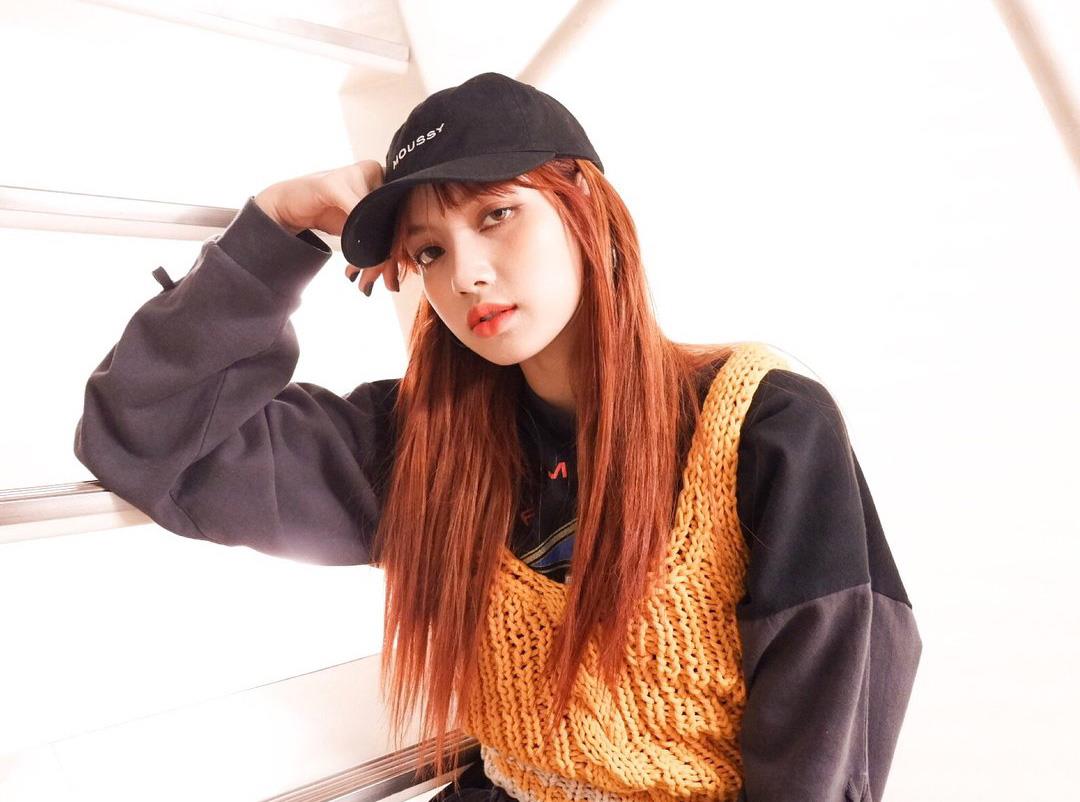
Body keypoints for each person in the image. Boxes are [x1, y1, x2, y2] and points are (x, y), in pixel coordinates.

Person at [73, 72, 922, 802]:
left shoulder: (762, 425)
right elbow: (143, 434)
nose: (467, 275)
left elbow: (823, 748)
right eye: (429, 251)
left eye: (498, 215)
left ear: (584, 206)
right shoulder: (419, 446)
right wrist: (277, 224)